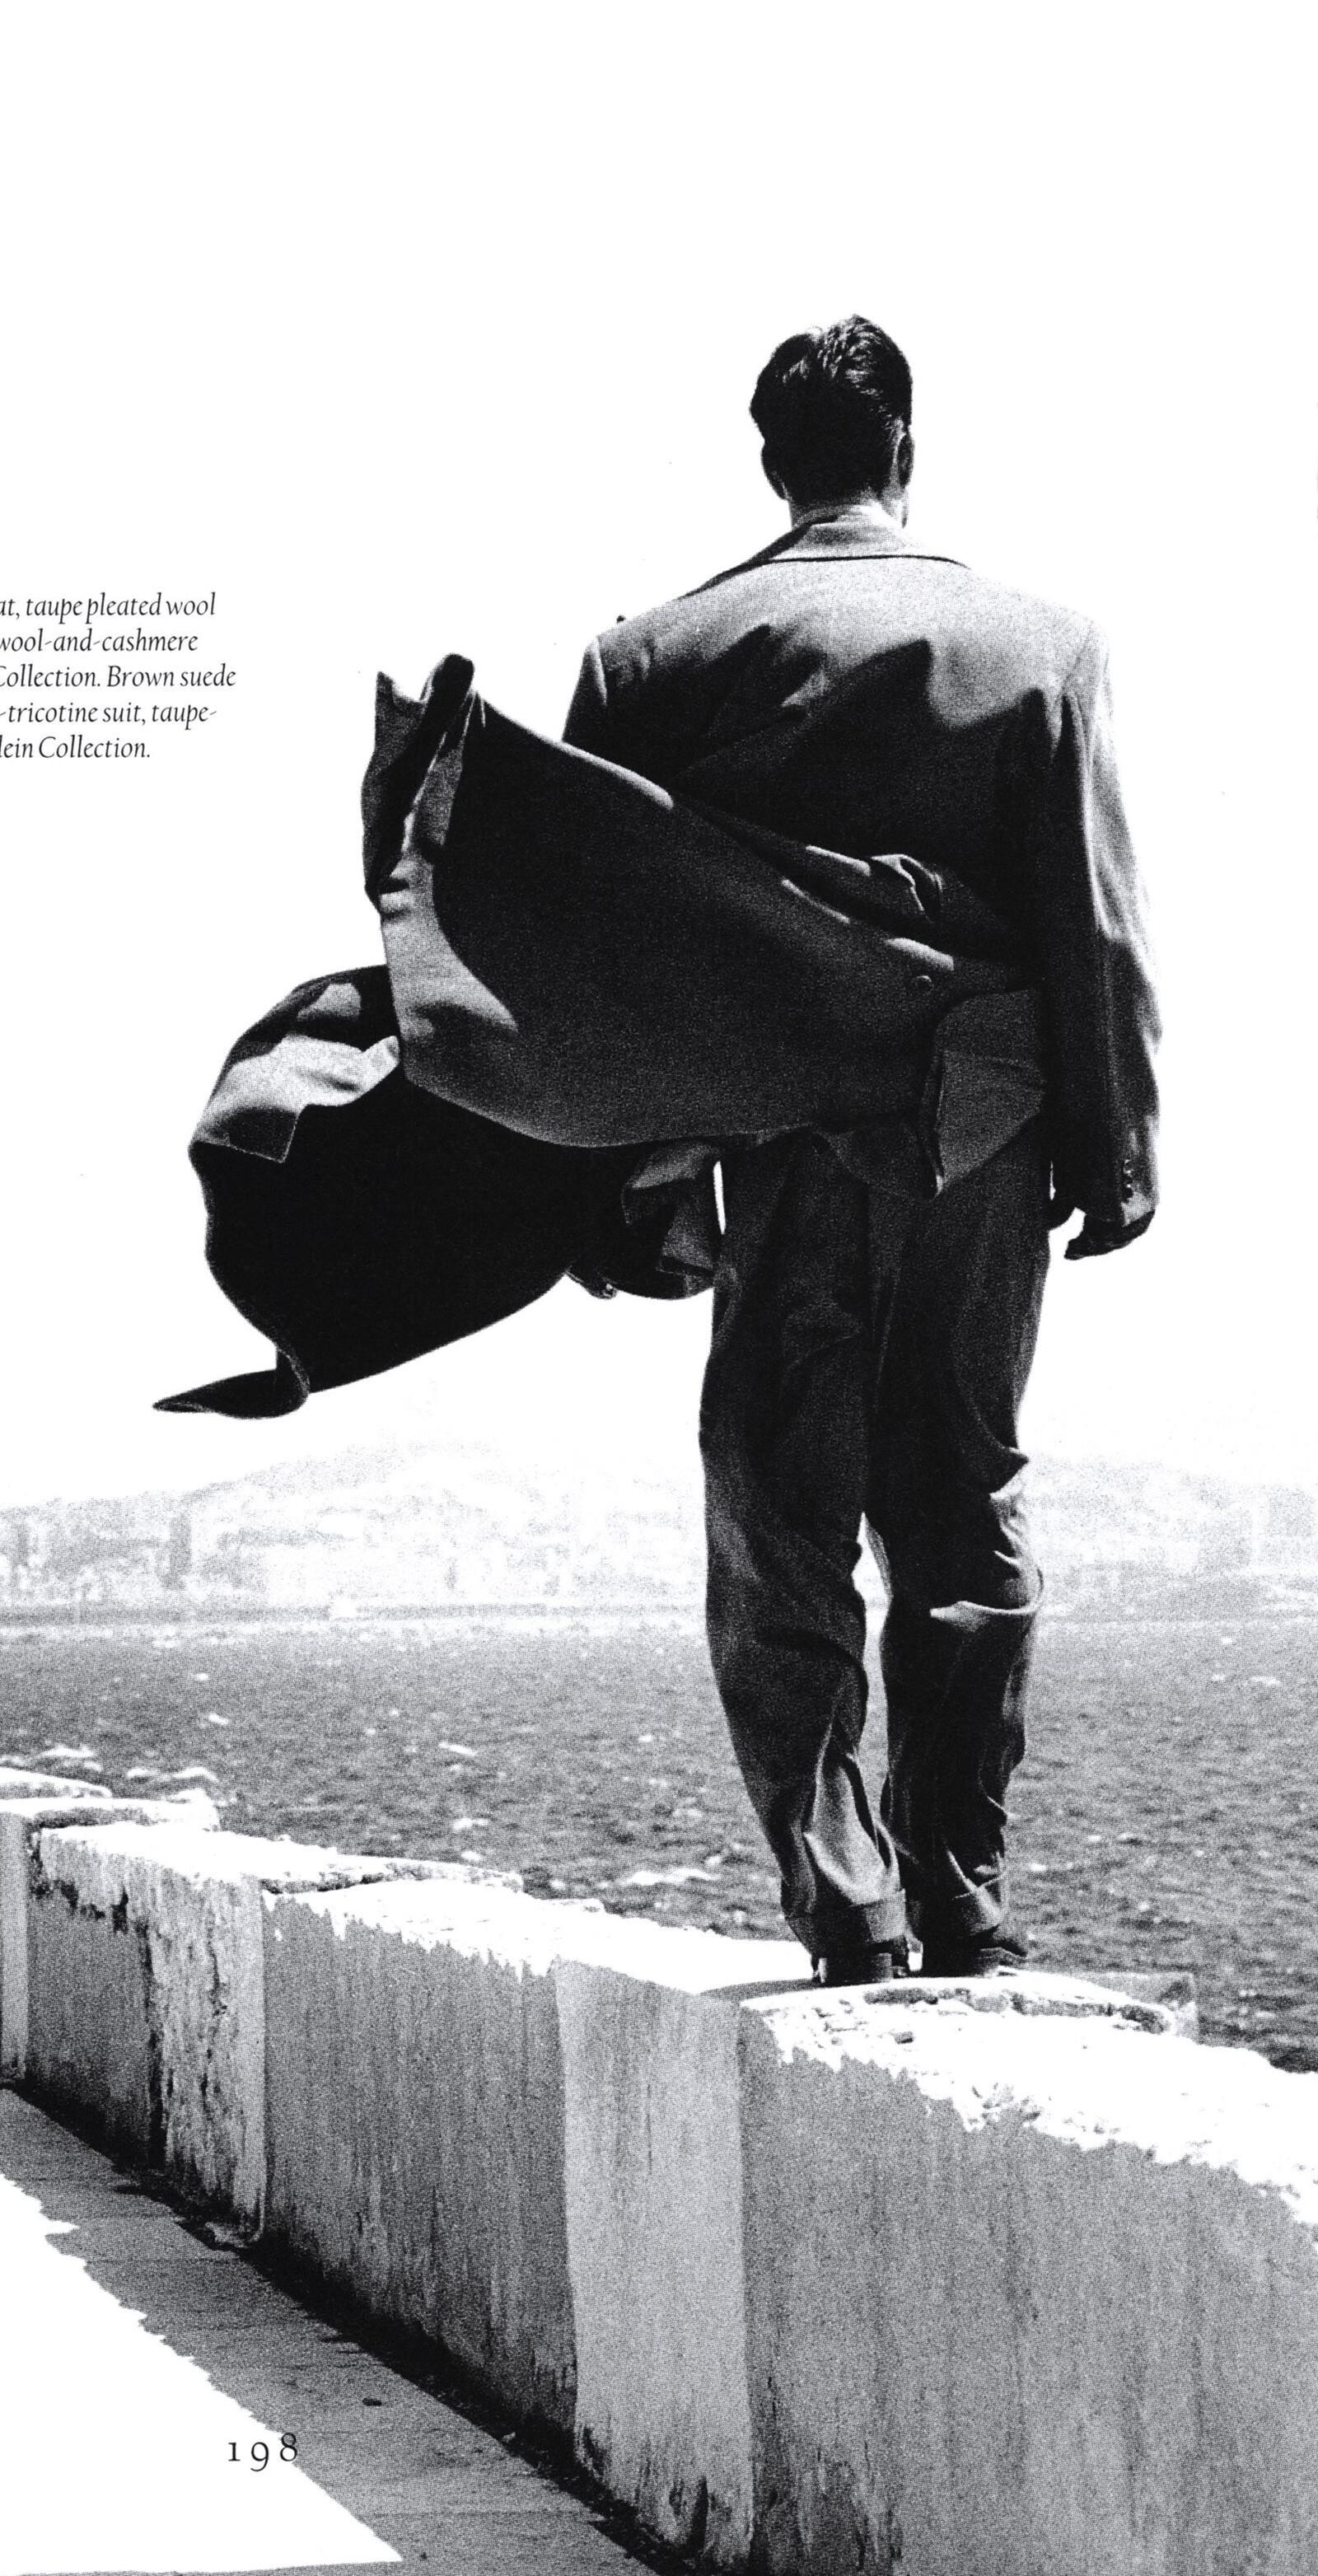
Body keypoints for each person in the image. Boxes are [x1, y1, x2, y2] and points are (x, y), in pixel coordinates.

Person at [563, 318, 1158, 1986]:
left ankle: (846, 1899)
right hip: (986, 1125)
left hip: (772, 1144)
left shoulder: (647, 664)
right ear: (906, 446)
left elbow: (596, 963)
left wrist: (622, 1191)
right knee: (961, 1494)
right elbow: (1090, 919)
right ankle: (961, 1888)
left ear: (771, 461)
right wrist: (1119, 1142)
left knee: (778, 1516)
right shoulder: (1042, 645)